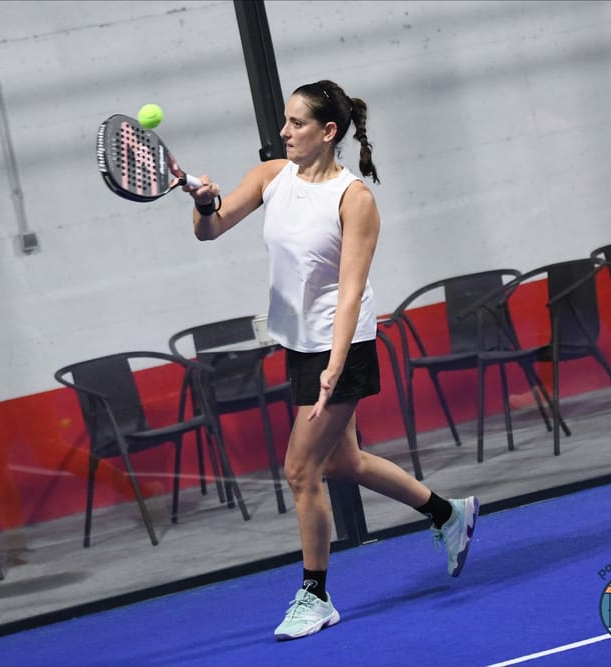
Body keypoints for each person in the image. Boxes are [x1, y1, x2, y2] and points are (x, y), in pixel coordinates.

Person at [181, 80, 480, 640]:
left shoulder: (353, 199)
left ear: (328, 132)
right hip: (298, 345)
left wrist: (335, 367)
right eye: (285, 121)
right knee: (343, 462)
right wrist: (202, 205)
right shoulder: (271, 177)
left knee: (300, 469)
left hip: (343, 349)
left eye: (296, 123)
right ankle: (448, 514)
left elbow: (351, 291)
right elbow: (211, 229)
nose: (284, 132)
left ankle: (315, 597)